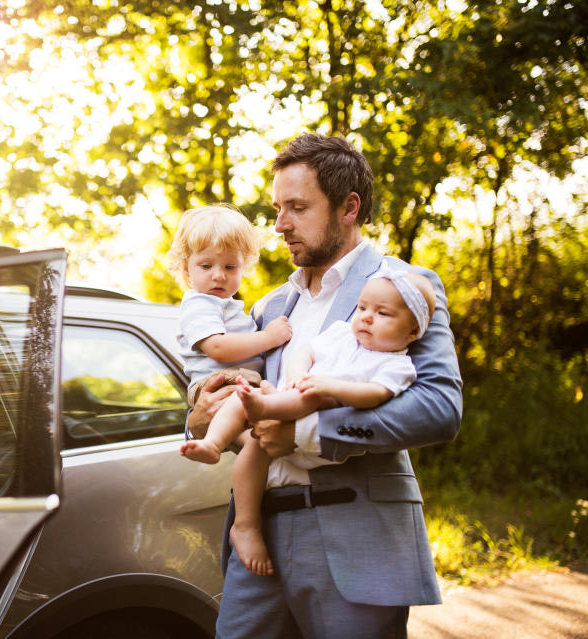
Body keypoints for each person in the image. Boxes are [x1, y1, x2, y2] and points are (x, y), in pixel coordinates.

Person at [186, 134, 463, 639]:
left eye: (296, 207)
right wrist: (203, 409)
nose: (279, 224)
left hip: (355, 538)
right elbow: (238, 394)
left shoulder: (403, 287)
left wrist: (308, 434)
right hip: (257, 538)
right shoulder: (269, 308)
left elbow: (439, 408)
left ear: (348, 208)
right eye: (277, 208)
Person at [168, 204, 293, 577]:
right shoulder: (199, 303)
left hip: (236, 382)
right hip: (221, 382)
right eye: (206, 266)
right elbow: (218, 348)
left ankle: (247, 523)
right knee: (246, 405)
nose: (218, 276)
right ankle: (212, 444)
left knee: (256, 447)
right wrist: (268, 338)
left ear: (244, 266)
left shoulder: (229, 305)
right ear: (185, 267)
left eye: (230, 267)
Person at [235, 265, 436, 433]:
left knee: (312, 397)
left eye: (382, 313)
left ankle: (264, 407)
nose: (366, 317)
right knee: (237, 402)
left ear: (413, 332)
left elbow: (374, 394)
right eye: (362, 307)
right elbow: (306, 353)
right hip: (290, 393)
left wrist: (330, 387)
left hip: (319, 415)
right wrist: (297, 374)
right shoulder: (342, 333)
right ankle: (215, 441)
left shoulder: (398, 365)